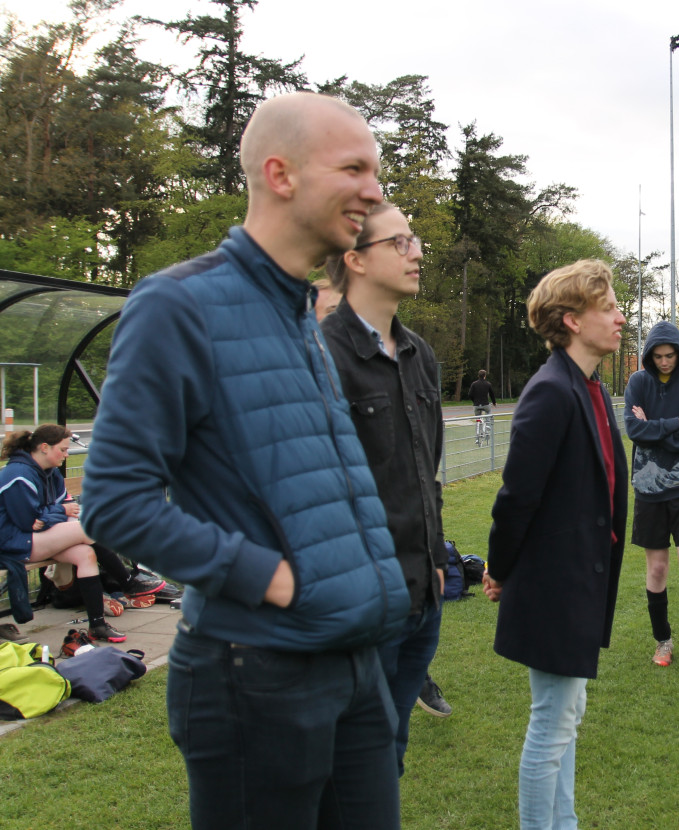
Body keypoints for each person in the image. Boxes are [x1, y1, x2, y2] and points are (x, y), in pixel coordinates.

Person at [81, 92, 410, 829]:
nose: (374, 191)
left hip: (352, 665)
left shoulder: (300, 312)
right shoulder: (177, 305)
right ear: (280, 173)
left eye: (377, 172)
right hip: (254, 675)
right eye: (354, 167)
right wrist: (268, 576)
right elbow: (113, 501)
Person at [482, 259, 628, 829]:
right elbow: (517, 497)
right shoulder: (550, 392)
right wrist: (500, 567)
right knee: (552, 723)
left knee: (568, 716)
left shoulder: (591, 386)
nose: (620, 318)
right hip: (554, 583)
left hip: (579, 581)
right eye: (609, 308)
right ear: (571, 320)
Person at [320, 202, 447, 774]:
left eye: (414, 239)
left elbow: (429, 468)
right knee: (355, 759)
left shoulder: (421, 355)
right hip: (364, 601)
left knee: (390, 749)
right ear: (356, 260)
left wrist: (437, 555)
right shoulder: (322, 355)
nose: (417, 251)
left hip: (424, 594)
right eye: (400, 242)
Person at [624, 321, 679, 672]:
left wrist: (655, 429)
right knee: (657, 568)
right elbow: (634, 430)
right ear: (649, 356)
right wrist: (675, 422)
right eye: (658, 356)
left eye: (670, 355)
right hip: (648, 487)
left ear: (678, 352)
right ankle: (663, 641)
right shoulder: (637, 382)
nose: (664, 362)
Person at [0, 425, 125, 644]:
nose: (67, 455)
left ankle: (97, 625)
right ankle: (129, 582)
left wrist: (53, 514)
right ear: (45, 448)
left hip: (37, 536)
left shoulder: (51, 472)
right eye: (63, 450)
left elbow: (66, 507)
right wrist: (59, 512)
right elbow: (28, 522)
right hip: (12, 542)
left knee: (85, 554)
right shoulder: (18, 474)